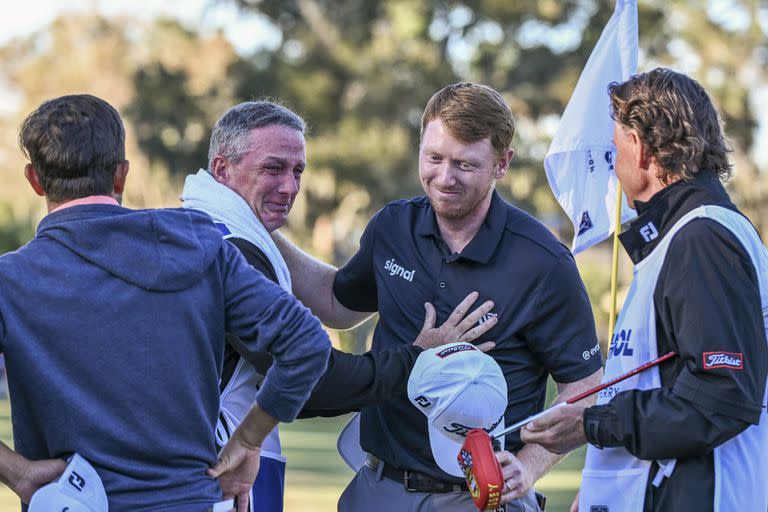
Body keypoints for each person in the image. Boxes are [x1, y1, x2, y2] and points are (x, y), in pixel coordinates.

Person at [272, 82, 604, 511]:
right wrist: (260, 229)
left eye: (466, 164)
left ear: (502, 164)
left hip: (481, 497)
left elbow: (585, 384)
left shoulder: (543, 260)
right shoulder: (393, 227)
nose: (444, 178)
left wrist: (530, 464)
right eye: (434, 158)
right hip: (379, 486)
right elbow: (337, 304)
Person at [1, 94, 333, 512]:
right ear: (121, 176)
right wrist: (248, 440)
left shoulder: (11, 279)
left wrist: (17, 471)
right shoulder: (199, 244)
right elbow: (306, 344)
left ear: (34, 180)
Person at [180, 100, 498, 512]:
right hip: (222, 471)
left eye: (298, 171)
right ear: (222, 170)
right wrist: (416, 359)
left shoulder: (202, 225)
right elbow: (309, 379)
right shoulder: (231, 249)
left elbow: (336, 303)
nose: (290, 187)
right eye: (273, 168)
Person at [520, 68, 768, 512]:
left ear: (639, 146)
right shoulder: (685, 235)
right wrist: (602, 486)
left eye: (615, 147)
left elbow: (722, 398)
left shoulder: (702, 238)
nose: (613, 165)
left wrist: (590, 424)